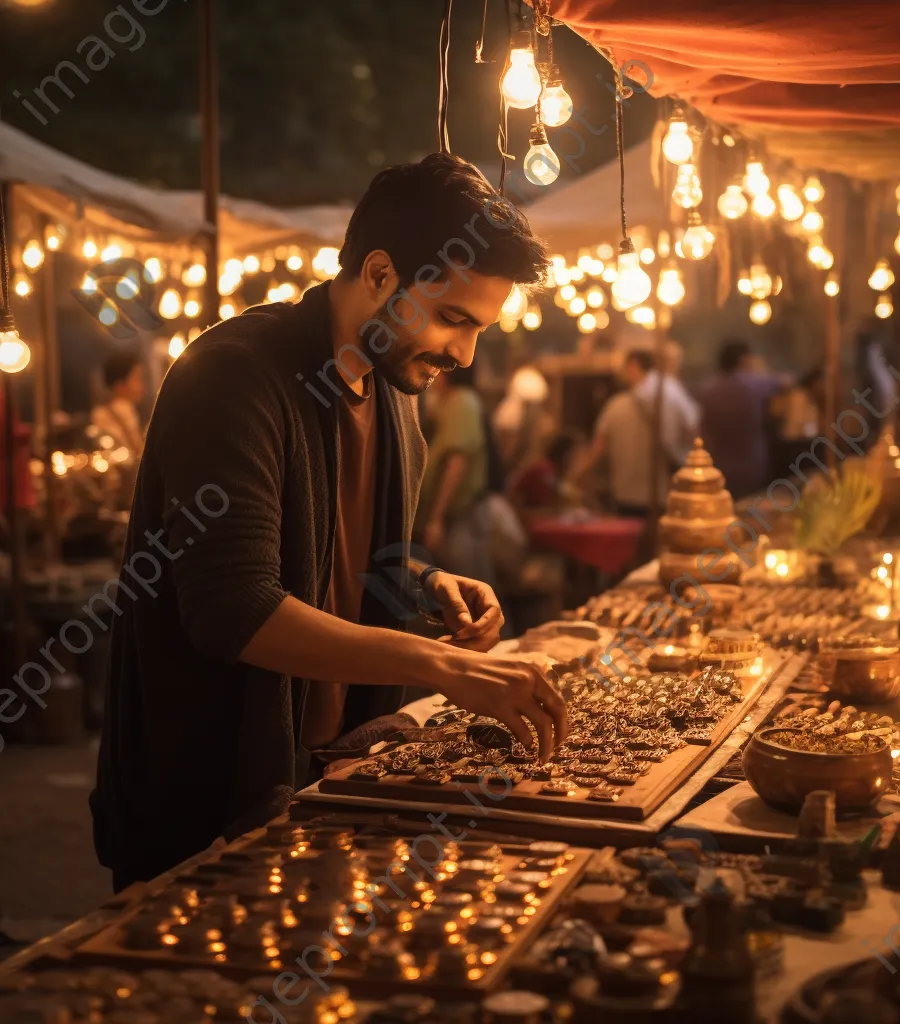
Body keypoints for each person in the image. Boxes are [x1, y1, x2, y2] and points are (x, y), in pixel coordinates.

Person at [91, 153, 567, 889]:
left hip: (331, 776)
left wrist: (424, 580)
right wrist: (447, 667)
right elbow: (233, 607)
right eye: (451, 319)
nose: (464, 355)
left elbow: (330, 557)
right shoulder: (232, 374)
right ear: (380, 274)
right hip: (205, 802)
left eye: (480, 330)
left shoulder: (394, 394)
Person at [573, 348, 699, 517]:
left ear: (633, 366)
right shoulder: (673, 393)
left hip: (627, 494)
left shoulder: (615, 406)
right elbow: (693, 431)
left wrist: (577, 476)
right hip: (666, 493)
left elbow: (598, 448)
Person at [416, 362, 495, 585]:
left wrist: (436, 518)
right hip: (454, 516)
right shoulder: (452, 402)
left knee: (470, 588)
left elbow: (457, 462)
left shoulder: (462, 401)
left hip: (462, 516)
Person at [700, 339, 780, 499]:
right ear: (744, 359)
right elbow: (786, 382)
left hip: (719, 462)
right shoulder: (753, 384)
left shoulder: (710, 388)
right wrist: (759, 368)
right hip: (751, 464)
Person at [92, 351, 146, 457]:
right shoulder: (124, 409)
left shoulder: (100, 412)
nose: (141, 385)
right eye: (137, 378)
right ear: (119, 384)